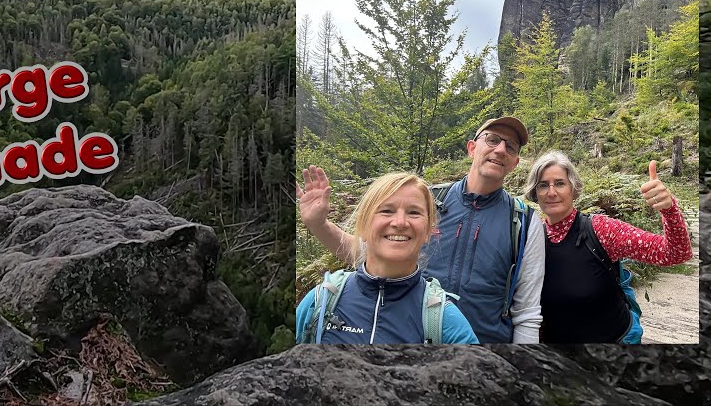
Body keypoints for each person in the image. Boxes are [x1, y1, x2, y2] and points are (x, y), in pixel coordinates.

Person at [298, 115, 545, 343]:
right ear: (472, 148)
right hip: (405, 335)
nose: (500, 149)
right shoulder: (426, 201)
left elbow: (527, 312)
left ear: (515, 163)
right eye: (492, 139)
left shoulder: (523, 221)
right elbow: (368, 251)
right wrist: (319, 225)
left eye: (510, 146)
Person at [522, 151, 693, 344]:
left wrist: (669, 210)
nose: (551, 192)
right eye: (543, 185)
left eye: (560, 183)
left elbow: (675, 253)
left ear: (573, 188)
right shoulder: (532, 238)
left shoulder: (602, 230)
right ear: (535, 192)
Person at [296, 172, 479, 344]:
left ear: (428, 231)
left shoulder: (444, 321)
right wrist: (318, 224)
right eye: (386, 211)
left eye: (414, 212)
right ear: (365, 225)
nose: (400, 223)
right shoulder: (320, 302)